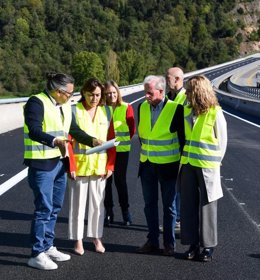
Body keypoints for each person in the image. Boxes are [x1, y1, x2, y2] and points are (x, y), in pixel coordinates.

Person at [24, 73, 100, 270]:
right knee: (43, 208)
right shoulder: (36, 102)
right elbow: (33, 129)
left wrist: (92, 140)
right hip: (42, 164)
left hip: (59, 163)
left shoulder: (65, 105)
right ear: (58, 91)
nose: (71, 97)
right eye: (69, 93)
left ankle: (48, 246)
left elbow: (73, 129)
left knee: (55, 207)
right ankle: (36, 253)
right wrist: (54, 141)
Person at [180, 75, 227, 262]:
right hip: (189, 165)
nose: (186, 93)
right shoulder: (188, 111)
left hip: (207, 168)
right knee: (188, 206)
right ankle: (192, 244)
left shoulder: (216, 113)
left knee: (207, 208)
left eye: (189, 90)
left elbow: (222, 144)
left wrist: (214, 165)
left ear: (198, 91)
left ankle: (208, 246)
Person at [136, 75, 185, 256]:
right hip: (147, 165)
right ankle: (152, 242)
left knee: (169, 207)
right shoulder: (141, 107)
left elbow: (182, 140)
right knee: (149, 205)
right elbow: (143, 136)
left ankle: (169, 244)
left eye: (149, 93)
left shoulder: (176, 109)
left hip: (168, 167)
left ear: (161, 91)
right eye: (145, 92)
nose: (146, 96)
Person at [67, 78, 116, 256]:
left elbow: (112, 141)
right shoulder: (74, 111)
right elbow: (69, 141)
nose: (94, 98)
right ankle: (78, 239)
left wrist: (110, 165)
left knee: (97, 205)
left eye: (97, 95)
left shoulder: (107, 112)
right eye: (91, 95)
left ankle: (96, 237)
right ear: (83, 93)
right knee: (77, 205)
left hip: (100, 167)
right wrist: (70, 165)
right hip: (79, 167)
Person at [103, 80, 136, 226]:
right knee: (106, 182)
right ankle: (108, 212)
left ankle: (125, 212)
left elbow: (132, 129)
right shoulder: (101, 109)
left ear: (118, 93)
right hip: (105, 150)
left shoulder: (126, 107)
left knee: (120, 181)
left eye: (114, 92)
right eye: (108, 93)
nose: (111, 95)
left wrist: (120, 141)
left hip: (122, 150)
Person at [166, 67, 187, 231]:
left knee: (180, 187)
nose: (166, 81)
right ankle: (175, 218)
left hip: (182, 148)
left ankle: (179, 219)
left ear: (178, 79)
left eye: (168, 78)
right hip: (169, 150)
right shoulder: (168, 97)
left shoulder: (185, 98)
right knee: (172, 187)